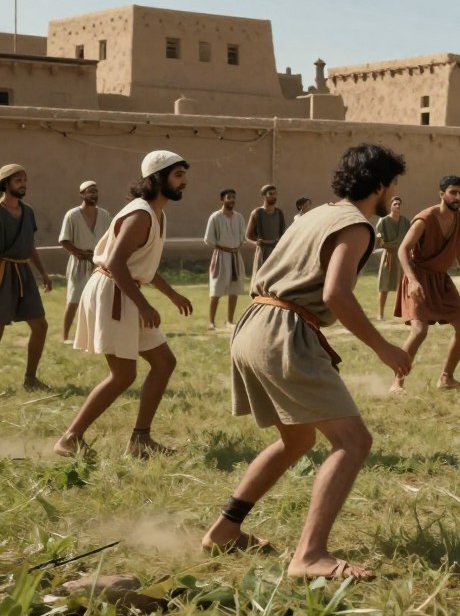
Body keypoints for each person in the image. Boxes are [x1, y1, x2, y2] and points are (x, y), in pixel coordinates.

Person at [201, 143, 412, 580]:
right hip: (283, 330)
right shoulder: (356, 225)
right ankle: (310, 556)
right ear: (379, 185)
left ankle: (224, 530)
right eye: (393, 184)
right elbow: (336, 293)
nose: (394, 192)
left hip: (253, 325)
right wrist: (383, 348)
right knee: (353, 441)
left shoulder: (316, 214)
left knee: (296, 440)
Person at [56, 151, 195, 457]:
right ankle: (70, 438)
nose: (184, 181)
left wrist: (172, 294)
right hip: (113, 292)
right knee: (123, 375)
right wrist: (144, 306)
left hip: (125, 291)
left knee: (164, 363)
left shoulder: (156, 214)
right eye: (178, 175)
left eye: (184, 174)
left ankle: (140, 440)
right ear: (158, 178)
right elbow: (117, 264)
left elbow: (142, 265)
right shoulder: (140, 214)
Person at [393, 176, 460, 393]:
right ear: (442, 194)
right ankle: (397, 383)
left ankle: (446, 378)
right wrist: (412, 280)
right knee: (419, 331)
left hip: (441, 280)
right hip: (418, 278)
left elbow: (458, 250)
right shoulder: (425, 219)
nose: (457, 197)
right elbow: (403, 249)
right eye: (453, 192)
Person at [0, 164, 53, 390]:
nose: (23, 184)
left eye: (25, 180)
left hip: (24, 273)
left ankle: (30, 379)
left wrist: (43, 273)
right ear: (5, 184)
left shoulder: (28, 212)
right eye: (18, 180)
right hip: (2, 273)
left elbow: (30, 245)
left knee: (40, 325)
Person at [58, 180, 110, 343]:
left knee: (98, 299)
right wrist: (79, 253)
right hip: (79, 263)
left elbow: (110, 238)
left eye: (96, 191)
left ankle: (96, 335)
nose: (94, 194)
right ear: (82, 195)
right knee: (74, 300)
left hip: (98, 263)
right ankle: (64, 336)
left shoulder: (104, 215)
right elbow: (64, 240)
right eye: (90, 191)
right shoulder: (72, 215)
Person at [205, 189, 248, 330]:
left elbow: (243, 237)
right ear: (222, 200)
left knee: (234, 290)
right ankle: (211, 322)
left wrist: (236, 248)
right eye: (229, 197)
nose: (232, 200)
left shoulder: (239, 217)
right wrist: (225, 248)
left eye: (234, 197)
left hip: (235, 257)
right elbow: (209, 239)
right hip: (221, 256)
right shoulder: (215, 217)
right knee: (216, 289)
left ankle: (230, 320)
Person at [374, 196, 410, 321]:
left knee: (403, 285)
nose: (397, 206)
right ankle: (381, 314)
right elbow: (379, 241)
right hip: (388, 257)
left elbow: (409, 238)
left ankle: (403, 313)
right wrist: (386, 244)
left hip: (401, 256)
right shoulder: (383, 221)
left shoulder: (405, 222)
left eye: (399, 204)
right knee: (384, 286)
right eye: (395, 204)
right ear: (390, 206)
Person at [246, 184, 287, 273]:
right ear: (264, 196)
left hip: (276, 250)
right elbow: (248, 237)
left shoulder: (279, 213)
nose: (273, 196)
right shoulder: (257, 213)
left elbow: (283, 234)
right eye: (270, 194)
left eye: (275, 193)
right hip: (263, 252)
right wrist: (257, 243)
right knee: (261, 276)